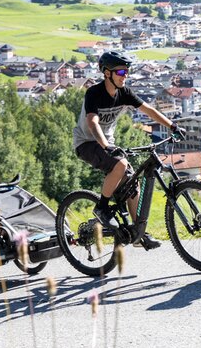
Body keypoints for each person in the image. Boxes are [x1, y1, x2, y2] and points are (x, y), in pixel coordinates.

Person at [72, 50, 184, 250]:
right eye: (121, 73)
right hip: (87, 143)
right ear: (107, 73)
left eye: (127, 72)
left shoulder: (124, 93)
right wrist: (106, 145)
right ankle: (102, 208)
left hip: (109, 144)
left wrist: (172, 126)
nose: (125, 76)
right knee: (121, 164)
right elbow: (92, 122)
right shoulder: (94, 93)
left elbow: (148, 110)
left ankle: (138, 233)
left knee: (133, 184)